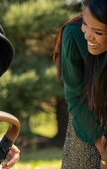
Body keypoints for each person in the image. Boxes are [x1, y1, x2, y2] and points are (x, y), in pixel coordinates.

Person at [53, 0, 107, 168]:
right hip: (89, 121)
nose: (88, 36)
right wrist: (101, 143)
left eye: (98, 31)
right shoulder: (74, 34)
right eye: (85, 23)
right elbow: (74, 95)